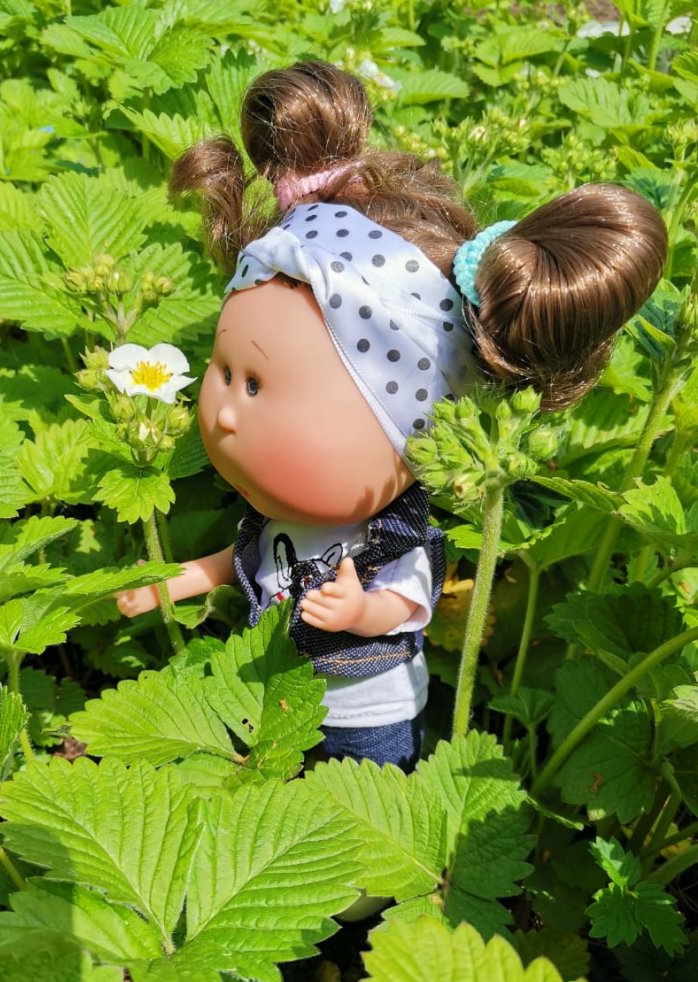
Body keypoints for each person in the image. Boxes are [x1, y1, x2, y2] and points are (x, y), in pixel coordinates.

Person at [116, 61, 667, 771]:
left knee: (362, 821)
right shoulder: (282, 518)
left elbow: (408, 605)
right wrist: (191, 575)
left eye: (258, 386)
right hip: (270, 702)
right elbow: (251, 556)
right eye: (228, 372)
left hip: (366, 716)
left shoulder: (386, 535)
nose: (224, 414)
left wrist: (357, 610)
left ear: (415, 437)